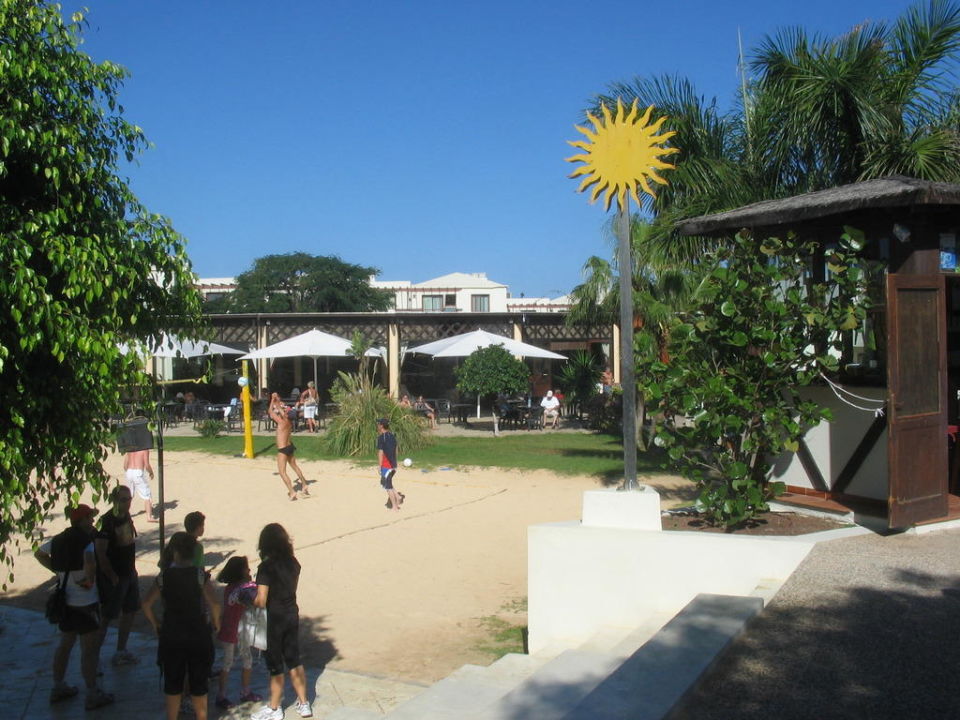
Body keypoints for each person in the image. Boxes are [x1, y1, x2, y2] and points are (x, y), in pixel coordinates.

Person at [35, 504, 114, 710]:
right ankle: (91, 693)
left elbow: (39, 554)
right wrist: (89, 580)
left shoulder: (59, 539)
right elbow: (90, 563)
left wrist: (58, 571)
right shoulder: (85, 541)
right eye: (89, 517)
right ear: (82, 520)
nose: (92, 521)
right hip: (85, 602)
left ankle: (58, 686)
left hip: (66, 601)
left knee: (65, 644)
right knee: (89, 649)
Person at [142, 532, 221, 720]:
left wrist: (156, 623)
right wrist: (215, 622)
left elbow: (146, 604)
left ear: (174, 551)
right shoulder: (199, 575)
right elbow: (215, 604)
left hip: (172, 632)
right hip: (197, 632)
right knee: (199, 683)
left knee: (173, 683)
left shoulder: (164, 576)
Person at [250, 523, 312, 720]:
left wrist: (246, 597)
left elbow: (261, 600)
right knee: (294, 659)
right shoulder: (293, 562)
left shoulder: (266, 568)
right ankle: (304, 703)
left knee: (275, 665)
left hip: (274, 619)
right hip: (291, 613)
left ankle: (275, 707)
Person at [95, 485, 141, 667]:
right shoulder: (106, 521)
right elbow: (100, 552)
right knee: (106, 616)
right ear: (114, 500)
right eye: (123, 500)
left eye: (129, 499)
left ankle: (121, 650)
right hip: (115, 576)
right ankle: (94, 654)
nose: (128, 503)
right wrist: (111, 575)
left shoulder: (127, 517)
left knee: (130, 611)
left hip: (129, 571)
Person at [214, 556, 262, 710]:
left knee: (244, 660)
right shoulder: (240, 589)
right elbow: (254, 596)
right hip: (231, 631)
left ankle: (245, 691)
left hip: (239, 630)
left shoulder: (233, 587)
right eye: (246, 568)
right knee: (228, 663)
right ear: (240, 571)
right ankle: (221, 696)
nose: (249, 570)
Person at [269, 393, 309, 501]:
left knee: (282, 472)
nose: (285, 410)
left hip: (283, 449)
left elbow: (270, 412)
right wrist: (277, 400)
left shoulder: (281, 422)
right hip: (289, 446)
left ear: (286, 415)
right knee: (295, 467)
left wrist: (272, 400)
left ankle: (292, 492)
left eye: (286, 411)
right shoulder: (288, 422)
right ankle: (304, 485)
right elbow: (280, 410)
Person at [123, 446, 158, 523]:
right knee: (147, 495)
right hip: (138, 472)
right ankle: (149, 517)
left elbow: (125, 465)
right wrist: (151, 472)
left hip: (129, 471)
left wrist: (128, 472)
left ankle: (124, 513)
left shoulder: (130, 449)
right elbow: (147, 465)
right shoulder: (144, 449)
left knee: (129, 495)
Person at [376, 418, 403, 512]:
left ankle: (395, 506)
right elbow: (396, 450)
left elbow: (380, 453)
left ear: (381, 426)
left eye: (378, 424)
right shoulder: (392, 435)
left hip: (387, 466)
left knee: (387, 487)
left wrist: (380, 466)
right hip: (393, 465)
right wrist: (395, 462)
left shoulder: (381, 438)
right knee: (385, 482)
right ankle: (398, 497)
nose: (377, 425)